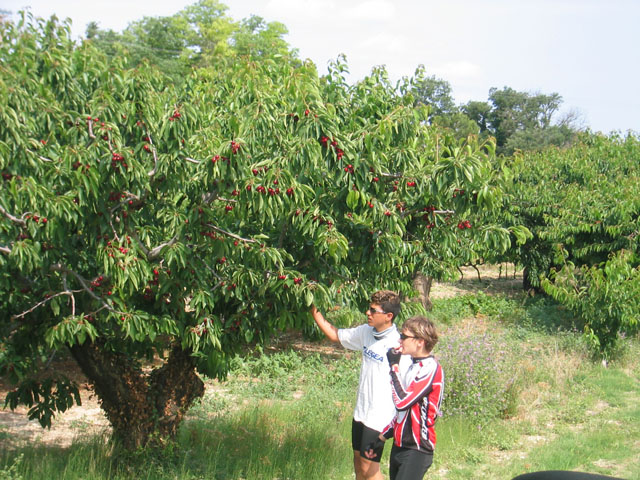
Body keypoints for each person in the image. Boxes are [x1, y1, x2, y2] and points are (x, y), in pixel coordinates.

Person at [310, 290, 407, 480]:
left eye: (373, 310)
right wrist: (312, 307)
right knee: (358, 464)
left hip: (380, 417)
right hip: (361, 412)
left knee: (369, 468)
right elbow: (334, 334)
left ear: (388, 316)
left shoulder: (398, 345)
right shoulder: (365, 332)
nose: (367, 313)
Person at [365, 315, 444, 480]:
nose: (400, 340)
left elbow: (402, 403)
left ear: (420, 341)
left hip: (417, 449)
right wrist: (381, 438)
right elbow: (404, 413)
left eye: (404, 336)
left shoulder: (430, 368)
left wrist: (393, 367)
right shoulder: (413, 366)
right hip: (400, 445)